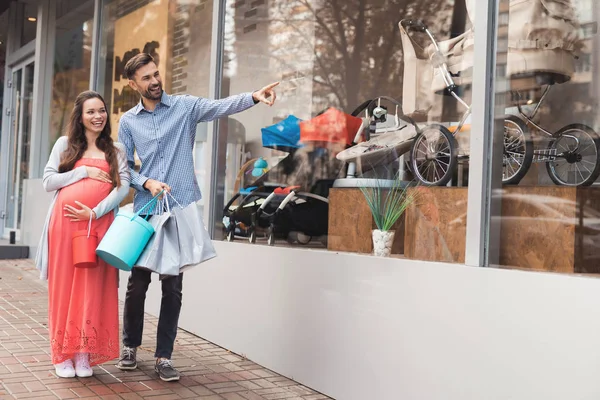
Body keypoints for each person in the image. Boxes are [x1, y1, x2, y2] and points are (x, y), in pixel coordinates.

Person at [116, 52, 278, 381]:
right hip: (147, 210)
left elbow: (220, 106)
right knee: (138, 283)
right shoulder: (128, 122)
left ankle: (163, 356)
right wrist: (146, 181)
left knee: (172, 288)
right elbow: (123, 169)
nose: (155, 81)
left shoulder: (184, 108)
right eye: (146, 78)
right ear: (134, 84)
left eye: (156, 74)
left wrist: (254, 97)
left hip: (178, 210)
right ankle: (130, 346)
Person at [35, 91, 131, 378]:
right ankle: (62, 354)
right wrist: (84, 172)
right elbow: (49, 181)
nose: (98, 116)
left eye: (101, 110)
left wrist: (96, 212)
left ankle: (83, 352)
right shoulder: (65, 145)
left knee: (94, 287)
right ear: (80, 116)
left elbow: (123, 187)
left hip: (99, 226)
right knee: (65, 287)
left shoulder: (117, 149)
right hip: (66, 226)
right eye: (91, 111)